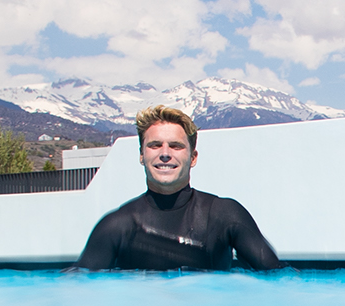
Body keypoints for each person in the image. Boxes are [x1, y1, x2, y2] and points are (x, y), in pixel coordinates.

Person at [74, 105, 283, 271]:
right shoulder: (116, 226)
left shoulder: (225, 215)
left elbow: (280, 278)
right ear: (141, 155)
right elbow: (76, 292)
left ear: (193, 158)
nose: (165, 153)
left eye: (176, 146)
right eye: (155, 145)